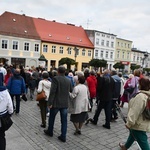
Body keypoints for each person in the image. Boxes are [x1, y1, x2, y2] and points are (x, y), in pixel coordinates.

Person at [119, 77, 150, 150]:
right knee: (133, 133)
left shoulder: (140, 96)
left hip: (139, 123)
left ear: (141, 85)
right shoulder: (147, 94)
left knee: (142, 140)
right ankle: (125, 146)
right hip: (144, 121)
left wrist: (129, 123)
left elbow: (135, 111)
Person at [44, 66, 73, 142]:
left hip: (56, 102)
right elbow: (71, 89)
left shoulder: (56, 79)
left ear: (58, 72)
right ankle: (63, 136)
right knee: (64, 121)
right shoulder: (68, 80)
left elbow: (53, 91)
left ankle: (50, 131)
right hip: (64, 103)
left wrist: (50, 102)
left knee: (52, 118)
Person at [0, 85, 13, 150]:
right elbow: (10, 106)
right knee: (1, 136)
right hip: (2, 118)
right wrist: (10, 113)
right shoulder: (5, 92)